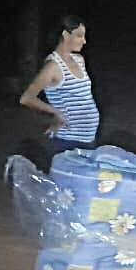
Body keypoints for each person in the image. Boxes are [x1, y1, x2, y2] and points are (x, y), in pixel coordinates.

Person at [19, 15, 101, 168]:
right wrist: (56, 113)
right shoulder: (53, 66)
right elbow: (27, 98)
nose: (84, 41)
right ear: (65, 35)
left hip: (88, 138)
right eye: (79, 35)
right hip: (68, 141)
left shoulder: (79, 60)